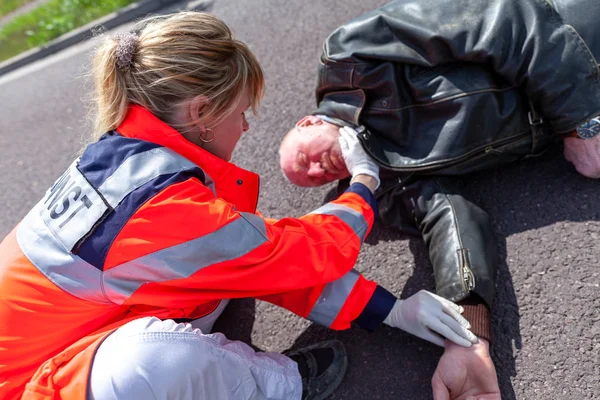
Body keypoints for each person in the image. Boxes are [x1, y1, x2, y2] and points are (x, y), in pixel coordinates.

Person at [0, 11, 479, 400]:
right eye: (241, 112)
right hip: (31, 388)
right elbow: (305, 253)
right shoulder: (161, 208)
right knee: (154, 363)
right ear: (201, 112)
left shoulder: (124, 159)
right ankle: (278, 385)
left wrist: (388, 310)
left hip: (60, 345)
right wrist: (364, 182)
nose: (247, 128)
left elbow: (250, 259)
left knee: (217, 283)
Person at [278, 0, 600, 398]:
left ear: (307, 122)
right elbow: (453, 224)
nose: (316, 171)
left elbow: (504, 15)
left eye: (304, 158)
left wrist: (581, 121)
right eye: (316, 179)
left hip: (580, 31)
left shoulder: (350, 56)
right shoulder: (388, 185)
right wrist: (467, 336)